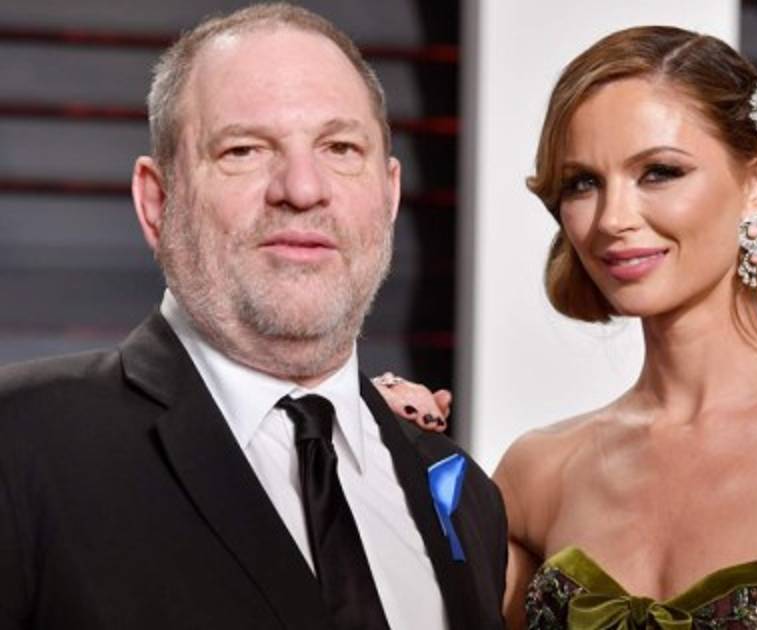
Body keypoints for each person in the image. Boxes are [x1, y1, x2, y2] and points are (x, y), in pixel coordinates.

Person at [380, 25, 757, 629]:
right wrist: (384, 453)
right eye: (583, 183)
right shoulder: (540, 472)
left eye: (659, 172)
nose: (613, 219)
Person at [0, 5, 505, 629]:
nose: (302, 188)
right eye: (244, 149)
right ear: (157, 202)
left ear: (390, 192)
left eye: (341, 148)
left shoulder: (464, 497)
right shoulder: (21, 447)